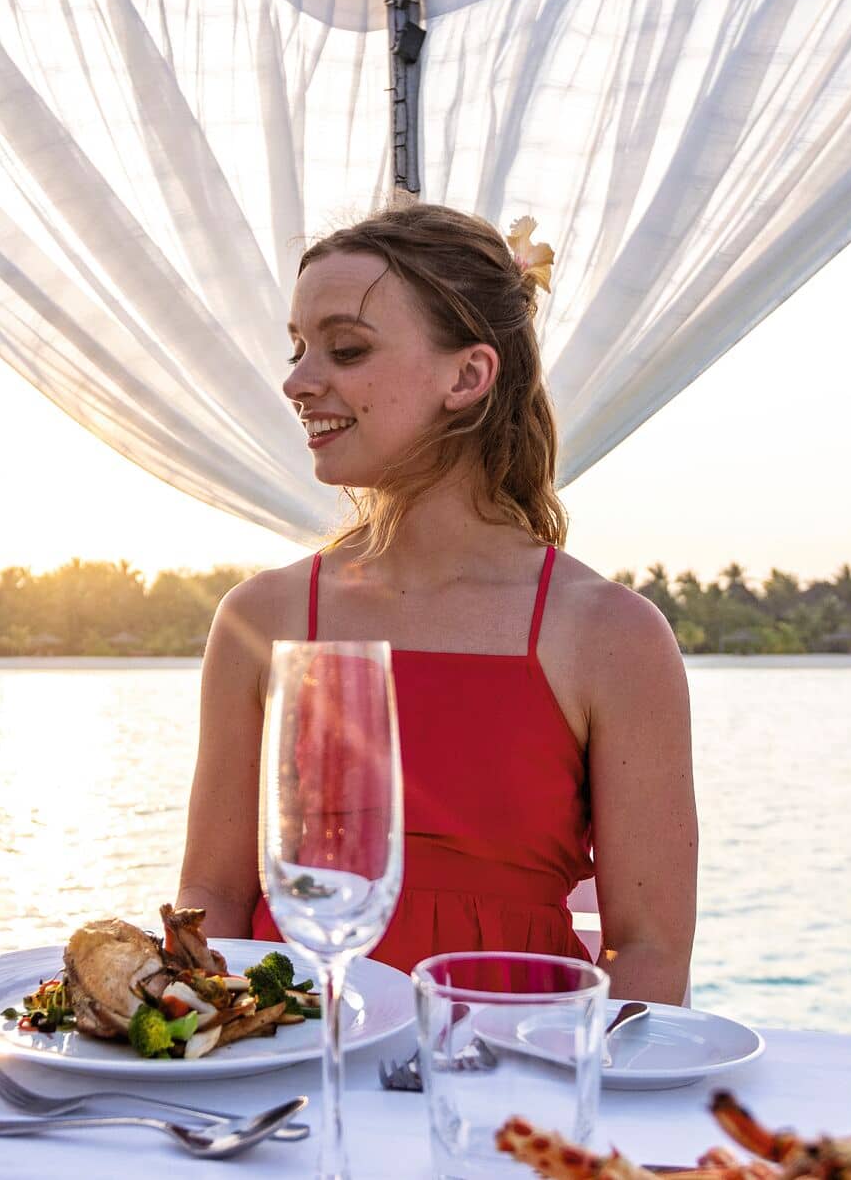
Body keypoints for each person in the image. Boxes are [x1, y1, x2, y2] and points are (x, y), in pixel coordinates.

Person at [177, 204, 697, 1001]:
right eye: (298, 348)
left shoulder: (610, 635)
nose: (296, 381)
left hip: (520, 1074)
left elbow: (649, 952)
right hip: (299, 1072)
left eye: (345, 349)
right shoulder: (260, 619)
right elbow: (212, 898)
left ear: (467, 376)